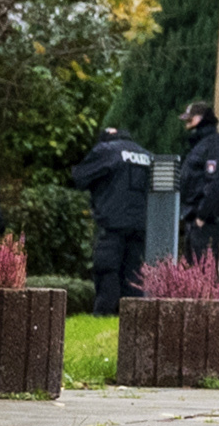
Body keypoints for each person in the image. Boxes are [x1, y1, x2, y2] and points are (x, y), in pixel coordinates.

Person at [66, 125, 155, 313]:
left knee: (107, 269)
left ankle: (104, 314)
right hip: (140, 224)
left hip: (112, 224)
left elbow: (80, 177)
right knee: (134, 274)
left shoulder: (106, 150)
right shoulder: (147, 155)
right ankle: (133, 316)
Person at [176, 104, 219, 265]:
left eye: (190, 117)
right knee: (195, 276)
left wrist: (202, 216)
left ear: (200, 118)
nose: (186, 122)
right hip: (195, 219)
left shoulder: (215, 146)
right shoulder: (202, 145)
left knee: (204, 274)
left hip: (206, 221)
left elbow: (218, 185)